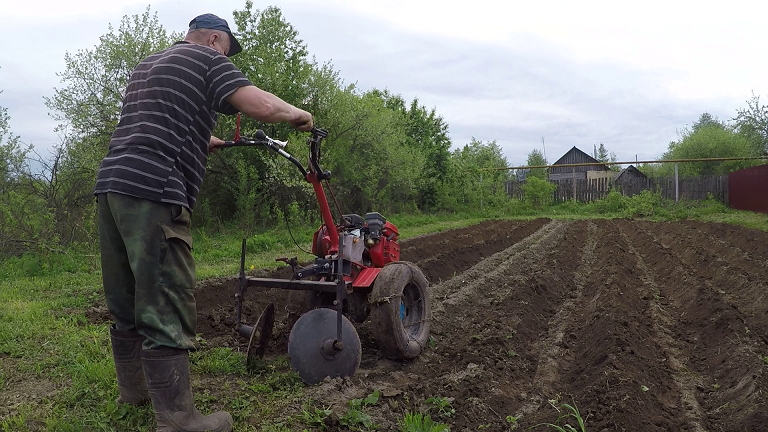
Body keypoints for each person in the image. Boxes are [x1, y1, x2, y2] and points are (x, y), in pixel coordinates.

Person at [95, 13, 313, 432]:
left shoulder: (149, 64)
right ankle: (178, 420)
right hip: (155, 190)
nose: (227, 56)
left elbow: (155, 122)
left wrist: (203, 138)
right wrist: (296, 114)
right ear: (215, 39)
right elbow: (260, 105)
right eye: (228, 49)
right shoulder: (208, 60)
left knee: (125, 298)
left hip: (112, 186)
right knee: (165, 299)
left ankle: (134, 396)